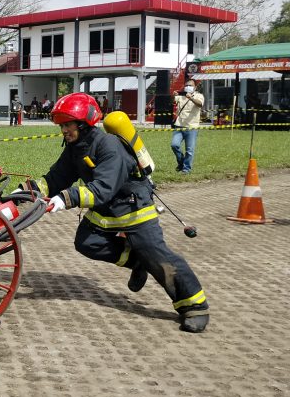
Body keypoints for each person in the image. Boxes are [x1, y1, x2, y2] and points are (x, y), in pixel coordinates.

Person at [19, 92, 209, 333]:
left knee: (158, 255)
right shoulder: (76, 147)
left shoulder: (109, 146)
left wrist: (67, 198)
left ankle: (194, 306)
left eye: (67, 125)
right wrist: (26, 191)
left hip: (133, 207)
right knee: (87, 242)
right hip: (107, 208)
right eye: (61, 126)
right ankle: (137, 261)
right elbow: (57, 177)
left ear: (84, 123)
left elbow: (103, 188)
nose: (64, 130)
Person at [171, 79, 204, 174]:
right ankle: (181, 162)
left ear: (195, 87)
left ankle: (186, 169)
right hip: (179, 125)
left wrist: (191, 98)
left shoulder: (199, 96)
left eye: (190, 85)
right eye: (186, 85)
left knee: (189, 150)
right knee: (174, 145)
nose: (188, 87)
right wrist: (173, 95)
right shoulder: (181, 96)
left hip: (192, 127)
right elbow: (172, 101)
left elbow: (200, 104)